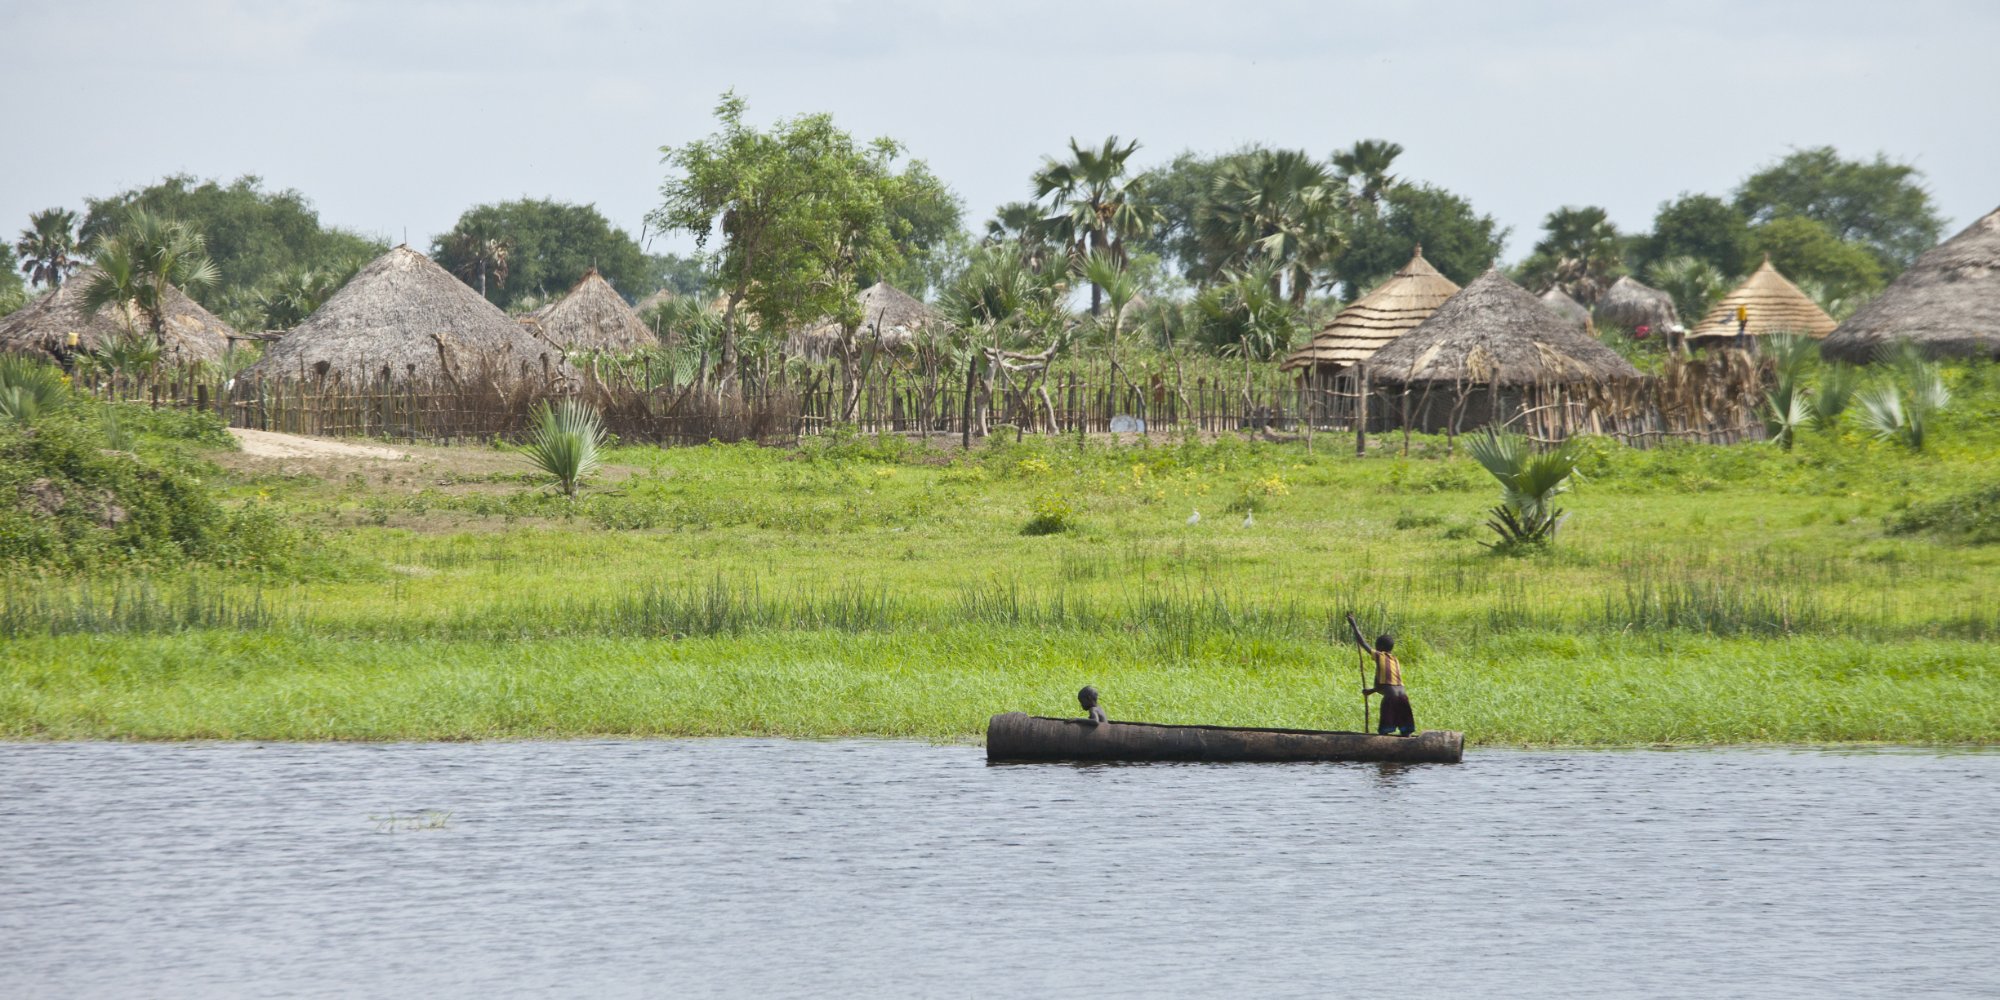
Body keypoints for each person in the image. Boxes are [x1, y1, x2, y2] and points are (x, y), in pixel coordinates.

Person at [1347, 612, 1414, 737]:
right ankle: (1406, 741)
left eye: (1377, 646)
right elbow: (1386, 684)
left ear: (1381, 647)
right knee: (1405, 730)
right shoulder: (1395, 659)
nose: (1375, 648)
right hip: (1403, 696)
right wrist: (1371, 691)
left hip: (1390, 697)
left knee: (1385, 730)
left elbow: (1362, 642)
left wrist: (1353, 625)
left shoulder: (1379, 655)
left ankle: (1383, 744)